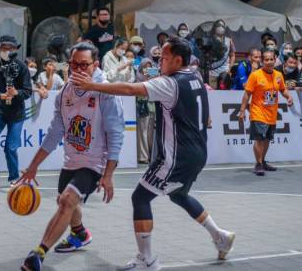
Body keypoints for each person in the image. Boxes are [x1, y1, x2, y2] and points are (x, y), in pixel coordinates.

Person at [71, 36, 236, 269]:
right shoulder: (195, 77)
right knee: (179, 195)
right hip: (198, 152)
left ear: (178, 60)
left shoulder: (170, 84)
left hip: (176, 156)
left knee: (140, 197)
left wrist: (91, 86)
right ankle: (220, 236)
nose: (160, 62)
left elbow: (129, 88)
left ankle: (147, 259)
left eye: (165, 58)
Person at [19, 42, 124, 271]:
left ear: (95, 65)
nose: (77, 69)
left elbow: (116, 135)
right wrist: (33, 166)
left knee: (67, 200)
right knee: (64, 202)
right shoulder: (65, 92)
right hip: (72, 159)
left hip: (95, 162)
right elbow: (55, 132)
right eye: (73, 64)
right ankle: (80, 234)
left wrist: (108, 174)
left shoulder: (106, 93)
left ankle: (38, 253)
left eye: (84, 65)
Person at [0, 35, 32, 191]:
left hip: (17, 112)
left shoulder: (22, 66)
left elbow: (28, 91)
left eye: (11, 48)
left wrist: (16, 93)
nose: (7, 51)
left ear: (16, 50)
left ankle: (14, 178)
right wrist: (0, 95)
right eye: (4, 48)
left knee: (10, 147)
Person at [239, 50, 293, 176]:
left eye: (271, 59)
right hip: (258, 112)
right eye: (266, 60)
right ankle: (258, 164)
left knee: (267, 139)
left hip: (272, 114)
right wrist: (242, 111)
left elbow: (283, 89)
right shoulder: (255, 75)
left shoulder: (279, 75)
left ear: (275, 60)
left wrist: (288, 97)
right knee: (259, 139)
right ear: (262, 61)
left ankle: (262, 161)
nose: (269, 62)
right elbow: (247, 94)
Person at [136, 58, 158, 164]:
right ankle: (143, 157)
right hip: (142, 106)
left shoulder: (155, 77)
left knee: (150, 133)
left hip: (153, 106)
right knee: (142, 132)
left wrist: (153, 76)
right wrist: (146, 78)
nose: (147, 69)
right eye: (145, 66)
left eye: (149, 67)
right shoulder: (137, 77)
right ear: (141, 67)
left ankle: (152, 155)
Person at [209, 20, 236, 89]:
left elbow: (232, 55)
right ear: (214, 27)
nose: (220, 27)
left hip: (225, 73)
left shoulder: (229, 40)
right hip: (212, 73)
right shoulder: (209, 40)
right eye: (218, 25)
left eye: (222, 26)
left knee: (224, 95)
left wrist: (230, 68)